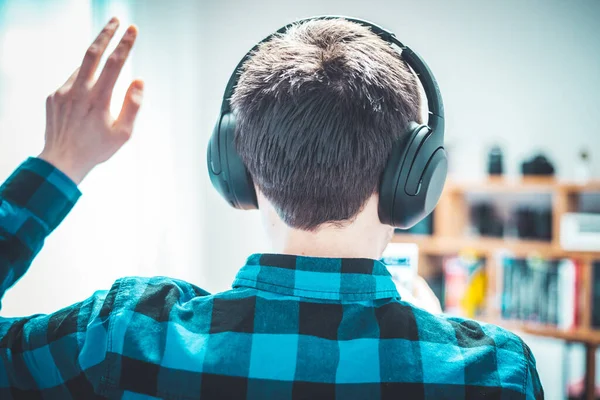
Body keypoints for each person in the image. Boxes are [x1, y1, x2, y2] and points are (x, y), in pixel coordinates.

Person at [0, 16, 543, 400]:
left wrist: (59, 162)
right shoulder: (495, 371)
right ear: (415, 178)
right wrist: (441, 337)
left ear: (234, 168)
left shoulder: (126, 334)